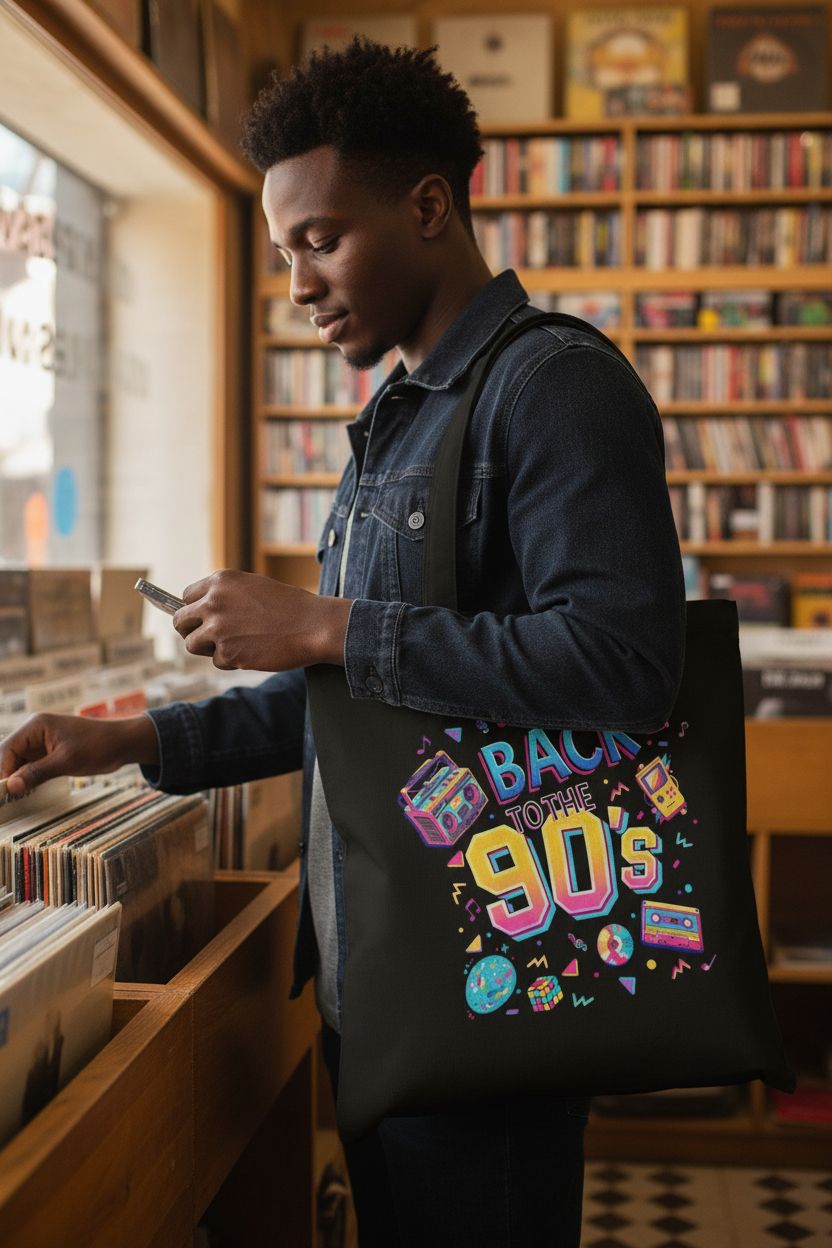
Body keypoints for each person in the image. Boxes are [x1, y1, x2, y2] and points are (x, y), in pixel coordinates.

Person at [0, 39, 686, 1248]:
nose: (300, 284)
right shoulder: (392, 424)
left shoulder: (557, 388)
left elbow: (627, 665)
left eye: (321, 240)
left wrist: (325, 621)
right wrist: (120, 739)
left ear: (429, 205)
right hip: (384, 972)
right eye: (282, 257)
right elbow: (356, 695)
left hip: (494, 971)